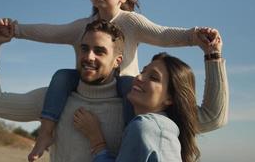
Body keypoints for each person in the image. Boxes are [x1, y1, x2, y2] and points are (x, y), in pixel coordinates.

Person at [0, 0, 220, 160]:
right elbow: (50, 32)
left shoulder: (132, 22)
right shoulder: (83, 26)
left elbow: (163, 34)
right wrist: (17, 29)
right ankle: (45, 133)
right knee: (62, 76)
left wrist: (194, 36)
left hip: (124, 86)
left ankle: (130, 139)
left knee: (126, 84)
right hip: (89, 79)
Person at [0, 19, 229, 162]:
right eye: (84, 48)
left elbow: (213, 117)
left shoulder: (137, 106)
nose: (88, 56)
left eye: (100, 51)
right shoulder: (53, 100)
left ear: (118, 61)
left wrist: (213, 56)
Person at [73, 35, 225, 162]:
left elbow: (213, 116)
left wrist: (97, 140)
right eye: (143, 71)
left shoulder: (145, 127)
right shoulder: (162, 127)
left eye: (153, 77)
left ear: (170, 98)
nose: (139, 77)